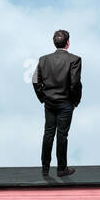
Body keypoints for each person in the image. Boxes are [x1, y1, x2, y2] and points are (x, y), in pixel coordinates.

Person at [32, 29, 82, 177]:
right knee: (62, 135)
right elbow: (75, 83)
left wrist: (43, 97)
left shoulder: (43, 60)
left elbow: (35, 80)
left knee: (48, 134)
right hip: (66, 102)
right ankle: (61, 169)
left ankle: (45, 168)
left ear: (54, 43)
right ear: (68, 43)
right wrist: (75, 101)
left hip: (49, 103)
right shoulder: (75, 59)